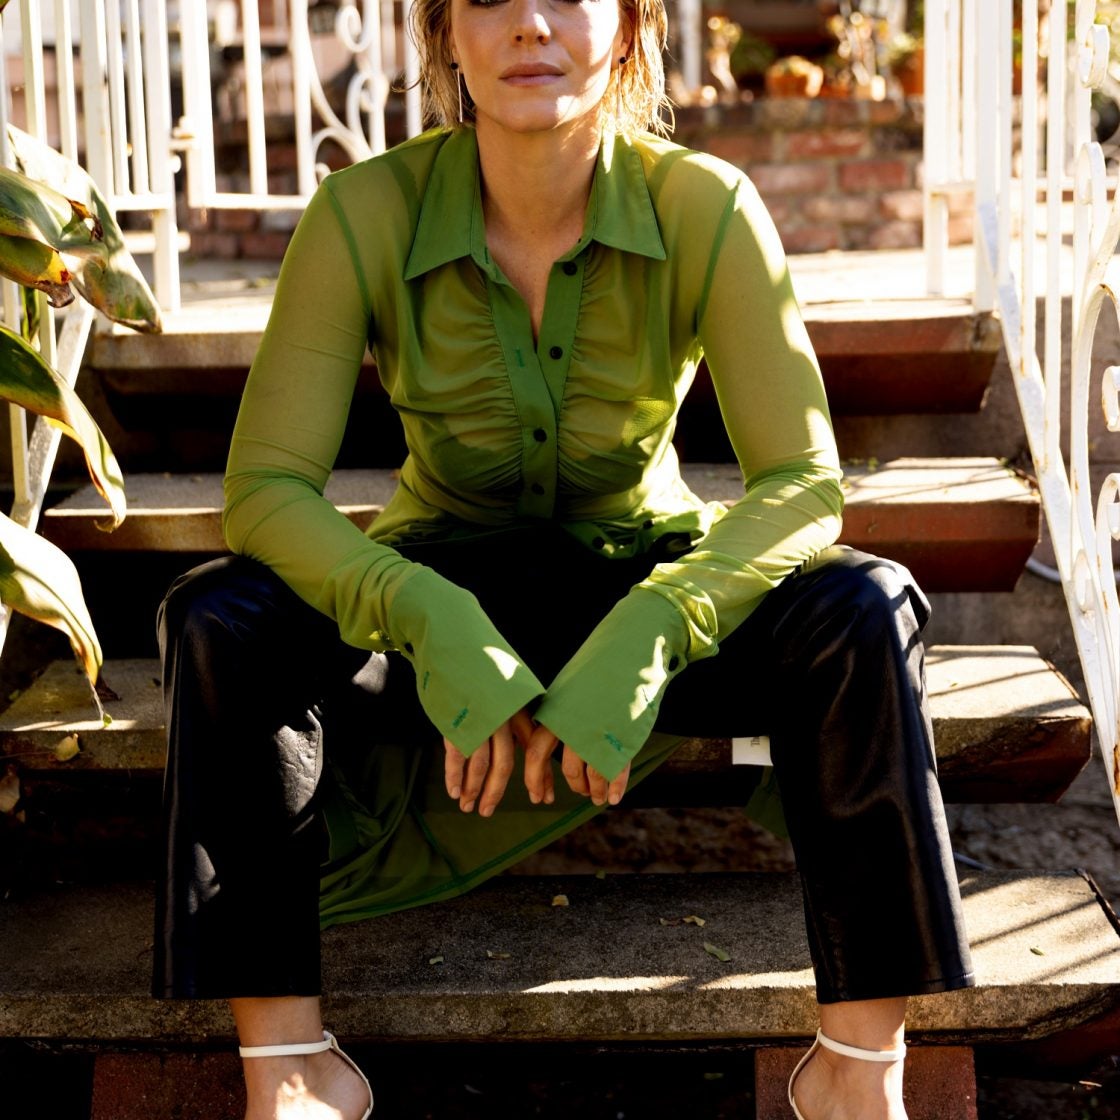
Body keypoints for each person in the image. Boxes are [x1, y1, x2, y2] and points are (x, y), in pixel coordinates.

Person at [154, 0, 975, 1115]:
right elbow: (264, 491)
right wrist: (427, 616)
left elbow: (801, 484)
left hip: (642, 575)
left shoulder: (705, 203)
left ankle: (857, 1075)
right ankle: (290, 1069)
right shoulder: (363, 211)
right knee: (219, 618)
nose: (531, 24)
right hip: (437, 587)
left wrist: (654, 626)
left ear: (629, 29)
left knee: (866, 605)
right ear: (445, 34)